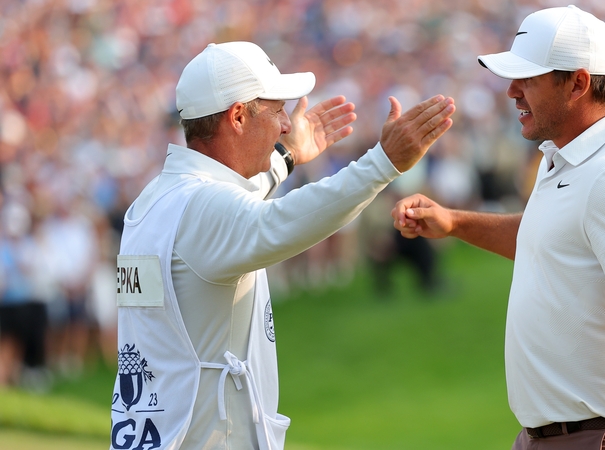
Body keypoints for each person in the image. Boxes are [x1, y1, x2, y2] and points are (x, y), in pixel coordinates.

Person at [109, 41, 455, 450]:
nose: (287, 124)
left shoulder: (156, 202)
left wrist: (286, 157)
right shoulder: (202, 208)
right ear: (238, 116)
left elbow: (231, 206)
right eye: (277, 110)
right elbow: (276, 222)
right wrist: (384, 161)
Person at [392, 6, 605, 450]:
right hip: (554, 438)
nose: (512, 91)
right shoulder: (569, 156)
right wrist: (454, 222)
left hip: (598, 439)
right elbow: (547, 236)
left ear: (578, 83)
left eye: (529, 79)